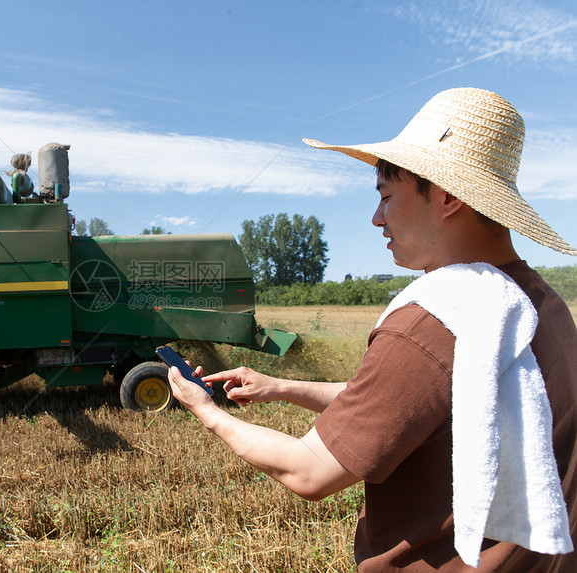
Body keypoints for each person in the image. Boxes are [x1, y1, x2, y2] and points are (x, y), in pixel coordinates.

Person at [168, 87, 577, 571]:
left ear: (447, 198)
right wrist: (281, 386)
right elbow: (417, 399)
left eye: (386, 197)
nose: (376, 218)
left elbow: (309, 472)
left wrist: (206, 412)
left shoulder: (436, 321)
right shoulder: (541, 305)